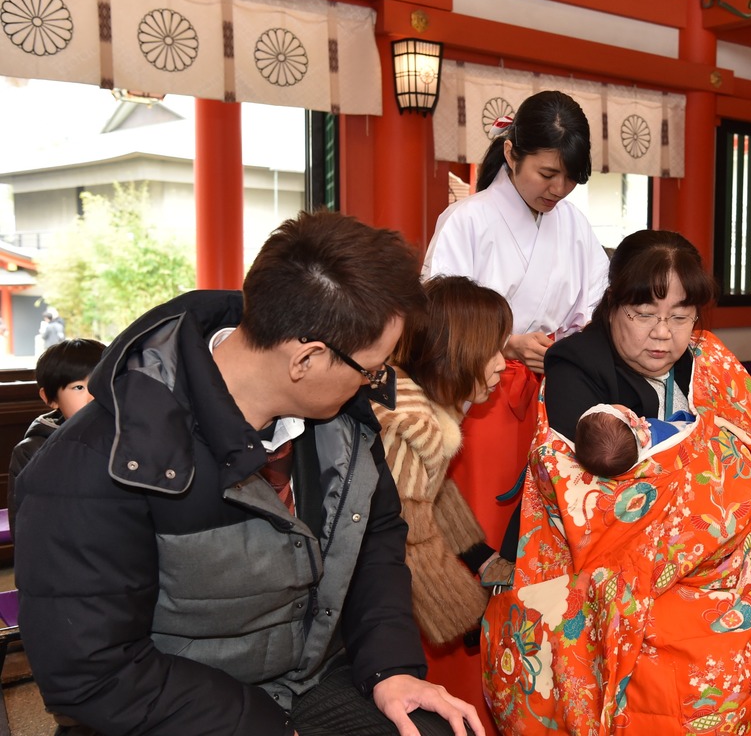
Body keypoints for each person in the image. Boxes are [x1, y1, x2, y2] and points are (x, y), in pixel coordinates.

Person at [13, 211, 484, 736]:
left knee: (431, 728)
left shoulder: (342, 420)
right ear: (306, 358)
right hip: (180, 706)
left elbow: (375, 535)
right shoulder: (94, 462)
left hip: (309, 677)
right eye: (370, 369)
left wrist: (389, 666)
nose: (373, 384)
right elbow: (93, 675)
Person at [481, 229, 751, 735]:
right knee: (689, 662)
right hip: (609, 560)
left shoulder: (709, 360)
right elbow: (591, 479)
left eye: (681, 316)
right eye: (644, 315)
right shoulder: (576, 362)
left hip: (725, 556)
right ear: (613, 305)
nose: (663, 333)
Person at [422, 89, 609, 731]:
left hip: (550, 394)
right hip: (479, 397)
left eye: (569, 180)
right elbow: (437, 314)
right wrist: (505, 341)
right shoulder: (468, 221)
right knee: (470, 542)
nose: (557, 191)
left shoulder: (574, 225)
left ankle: (524, 696)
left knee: (541, 546)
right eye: (547, 173)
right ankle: (456, 700)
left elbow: (594, 304)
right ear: (510, 153)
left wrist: (565, 343)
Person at [373, 275, 514, 719]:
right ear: (455, 352)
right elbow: (410, 534)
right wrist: (471, 613)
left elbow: (434, 491)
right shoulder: (412, 425)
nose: (503, 365)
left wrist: (480, 557)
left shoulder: (427, 401)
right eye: (492, 351)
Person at [8, 337, 106, 529]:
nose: (93, 396)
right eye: (79, 387)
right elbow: (23, 524)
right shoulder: (31, 451)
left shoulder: (128, 437)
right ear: (50, 398)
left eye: (100, 383)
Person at [573, 402, 695, 478]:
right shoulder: (657, 429)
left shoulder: (636, 468)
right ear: (632, 422)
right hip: (688, 437)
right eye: (610, 407)